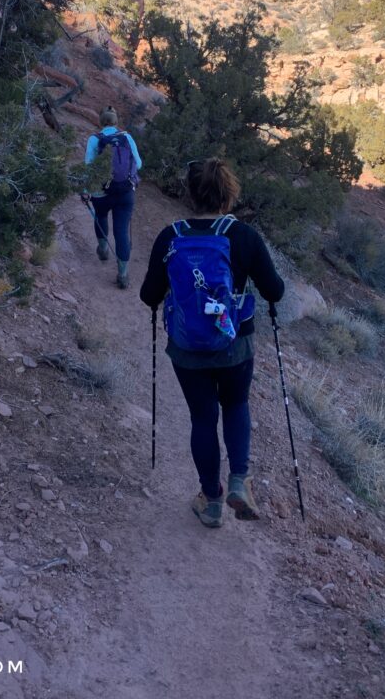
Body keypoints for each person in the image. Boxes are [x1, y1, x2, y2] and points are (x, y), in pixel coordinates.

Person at [139, 158, 284, 528]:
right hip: (235, 343)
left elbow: (148, 295)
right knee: (236, 405)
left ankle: (211, 500)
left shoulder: (171, 236)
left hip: (187, 346)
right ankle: (240, 480)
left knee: (202, 418)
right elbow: (274, 290)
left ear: (191, 193)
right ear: (229, 193)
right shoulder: (245, 236)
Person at [84, 106, 142, 289]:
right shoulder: (127, 137)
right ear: (116, 121)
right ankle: (123, 275)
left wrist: (85, 190)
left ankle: (102, 250)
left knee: (101, 217)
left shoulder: (95, 139)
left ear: (100, 122)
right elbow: (138, 164)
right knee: (122, 231)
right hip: (125, 192)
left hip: (102, 192)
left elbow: (88, 167)